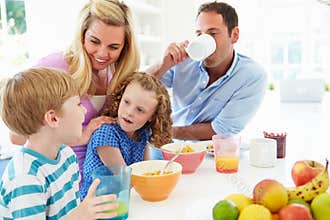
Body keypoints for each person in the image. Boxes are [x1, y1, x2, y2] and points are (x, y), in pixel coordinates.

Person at [10, 0, 140, 175]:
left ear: (125, 48)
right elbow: (17, 136)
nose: (102, 53)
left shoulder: (115, 75)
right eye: (94, 41)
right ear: (82, 35)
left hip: (105, 181)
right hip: (62, 184)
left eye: (113, 47)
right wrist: (81, 137)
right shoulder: (53, 67)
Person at [0, 67, 118, 219]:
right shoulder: (25, 177)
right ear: (53, 118)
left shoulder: (66, 155)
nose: (84, 111)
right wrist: (80, 215)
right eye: (78, 104)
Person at [147, 1, 267, 141]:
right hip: (166, 145)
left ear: (234, 35)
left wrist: (164, 131)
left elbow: (222, 128)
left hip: (209, 153)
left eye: (213, 33)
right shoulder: (183, 60)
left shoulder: (251, 75)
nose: (204, 40)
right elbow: (135, 87)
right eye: (199, 34)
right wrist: (163, 65)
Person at [80, 72, 172, 199]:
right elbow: (125, 180)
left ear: (151, 117)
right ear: (120, 98)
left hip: (125, 199)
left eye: (140, 110)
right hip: (97, 205)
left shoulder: (142, 133)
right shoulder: (105, 134)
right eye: (127, 102)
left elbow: (146, 170)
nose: (129, 112)